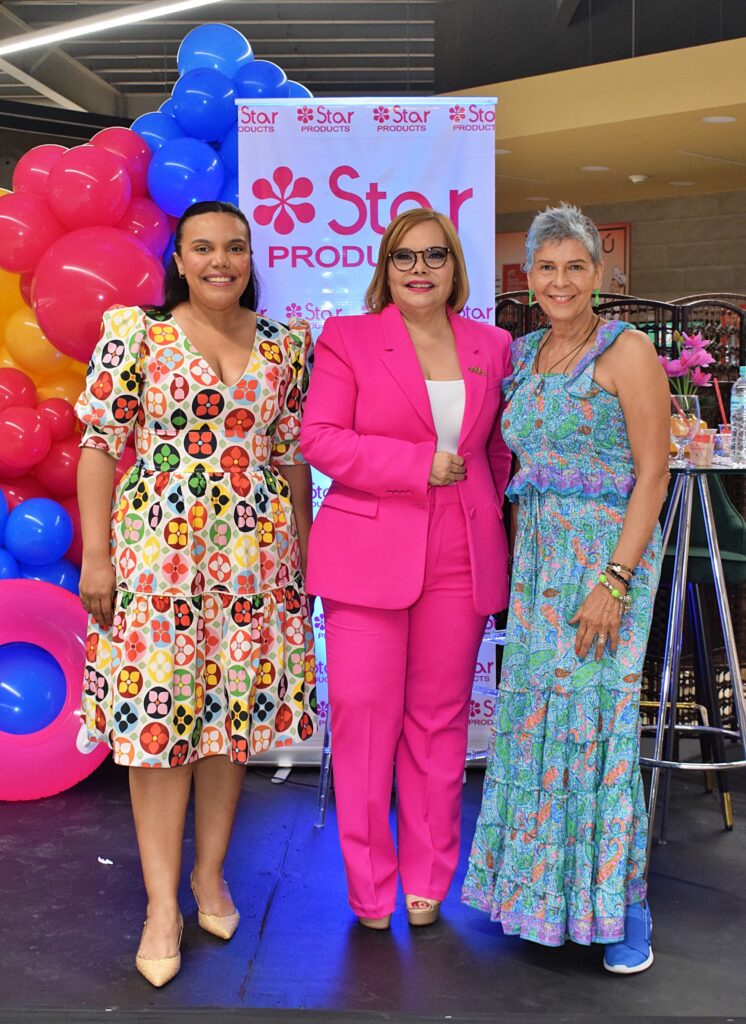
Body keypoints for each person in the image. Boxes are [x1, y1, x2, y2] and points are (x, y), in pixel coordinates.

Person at [75, 200, 316, 986]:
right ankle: (158, 906)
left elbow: (289, 460)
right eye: (204, 248)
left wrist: (304, 558)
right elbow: (99, 447)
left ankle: (210, 876)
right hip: (156, 562)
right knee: (157, 729)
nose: (222, 261)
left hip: (254, 560)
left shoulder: (285, 343)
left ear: (251, 258)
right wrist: (98, 556)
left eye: (236, 248)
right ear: (179, 258)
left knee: (227, 726)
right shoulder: (135, 334)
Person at [462, 203, 670, 973]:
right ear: (530, 276)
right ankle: (543, 898)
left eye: (574, 267)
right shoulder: (522, 354)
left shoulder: (629, 349)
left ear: (599, 273)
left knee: (598, 727)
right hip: (538, 559)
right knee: (537, 725)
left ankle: (625, 912)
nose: (559, 280)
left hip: (605, 559)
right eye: (545, 267)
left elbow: (653, 472)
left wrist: (614, 580)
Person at [300, 207, 512, 930]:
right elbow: (320, 438)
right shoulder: (348, 338)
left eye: (434, 256)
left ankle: (428, 877)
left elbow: (495, 453)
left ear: (456, 268)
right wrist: (418, 465)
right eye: (404, 257)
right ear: (385, 268)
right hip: (367, 553)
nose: (419, 269)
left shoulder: (493, 344)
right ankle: (369, 887)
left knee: (441, 722)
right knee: (363, 721)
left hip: (461, 551)